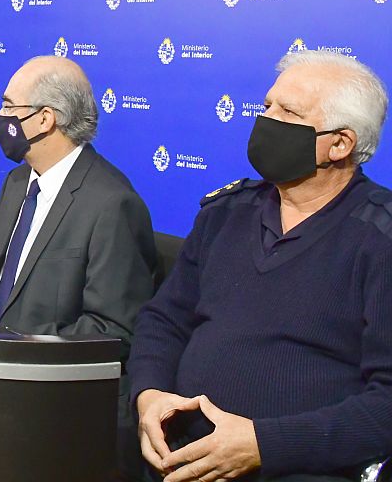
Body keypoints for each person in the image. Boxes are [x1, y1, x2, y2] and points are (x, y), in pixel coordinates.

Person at [129, 50, 392, 481]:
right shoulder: (225, 212)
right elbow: (164, 320)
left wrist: (265, 445)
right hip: (179, 460)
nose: (265, 119)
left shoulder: (380, 239)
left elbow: (386, 402)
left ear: (340, 144)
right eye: (267, 105)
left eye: (287, 112)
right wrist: (149, 394)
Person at [0, 55, 156, 480]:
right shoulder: (16, 183)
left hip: (46, 397)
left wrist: (24, 353)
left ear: (45, 119)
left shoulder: (111, 203)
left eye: (9, 107)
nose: (0, 117)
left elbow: (113, 330)